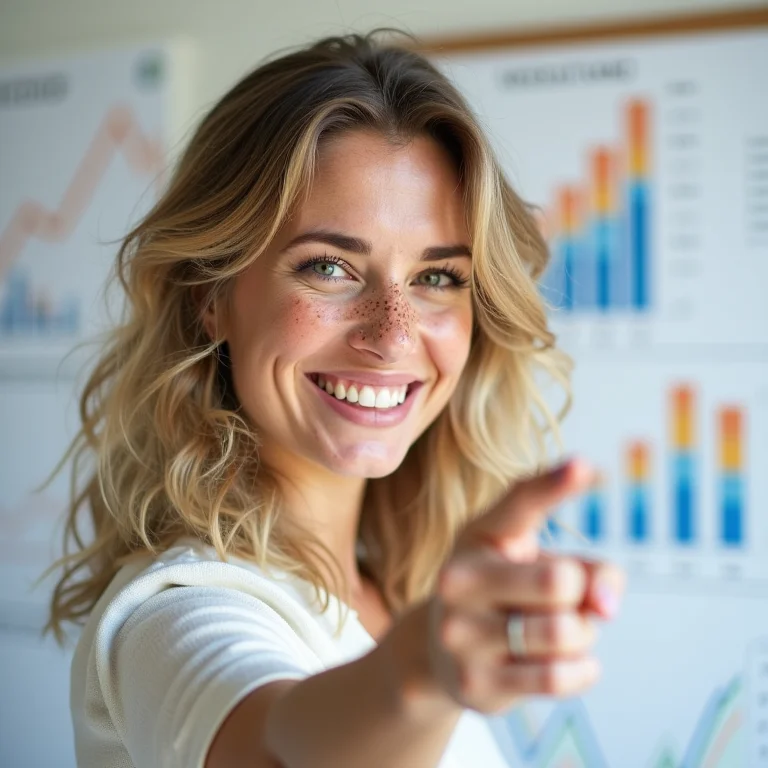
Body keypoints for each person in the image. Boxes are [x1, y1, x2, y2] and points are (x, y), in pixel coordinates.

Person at [46, 30, 625, 768]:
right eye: (329, 267)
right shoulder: (175, 608)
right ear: (210, 297)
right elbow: (276, 748)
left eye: (437, 277)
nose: (392, 335)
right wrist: (420, 675)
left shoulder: (397, 591)